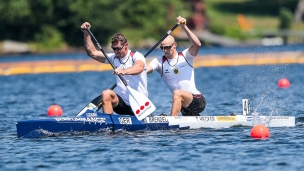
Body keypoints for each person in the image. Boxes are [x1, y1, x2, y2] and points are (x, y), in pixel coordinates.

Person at [80, 22, 148, 115]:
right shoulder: (113, 58)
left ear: (126, 46)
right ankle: (108, 125)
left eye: (118, 48)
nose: (116, 51)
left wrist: (123, 71)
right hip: (122, 105)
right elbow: (91, 52)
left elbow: (139, 68)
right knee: (106, 93)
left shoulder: (136, 56)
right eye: (114, 48)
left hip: (139, 105)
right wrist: (86, 33)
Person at [147, 16, 206, 116]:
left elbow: (197, 45)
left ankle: (171, 123)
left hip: (197, 101)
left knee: (177, 93)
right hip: (183, 105)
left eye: (168, 47)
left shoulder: (186, 55)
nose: (165, 50)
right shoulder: (158, 61)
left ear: (175, 45)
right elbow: (145, 69)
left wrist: (184, 27)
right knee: (191, 130)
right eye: (162, 48)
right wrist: (128, 71)